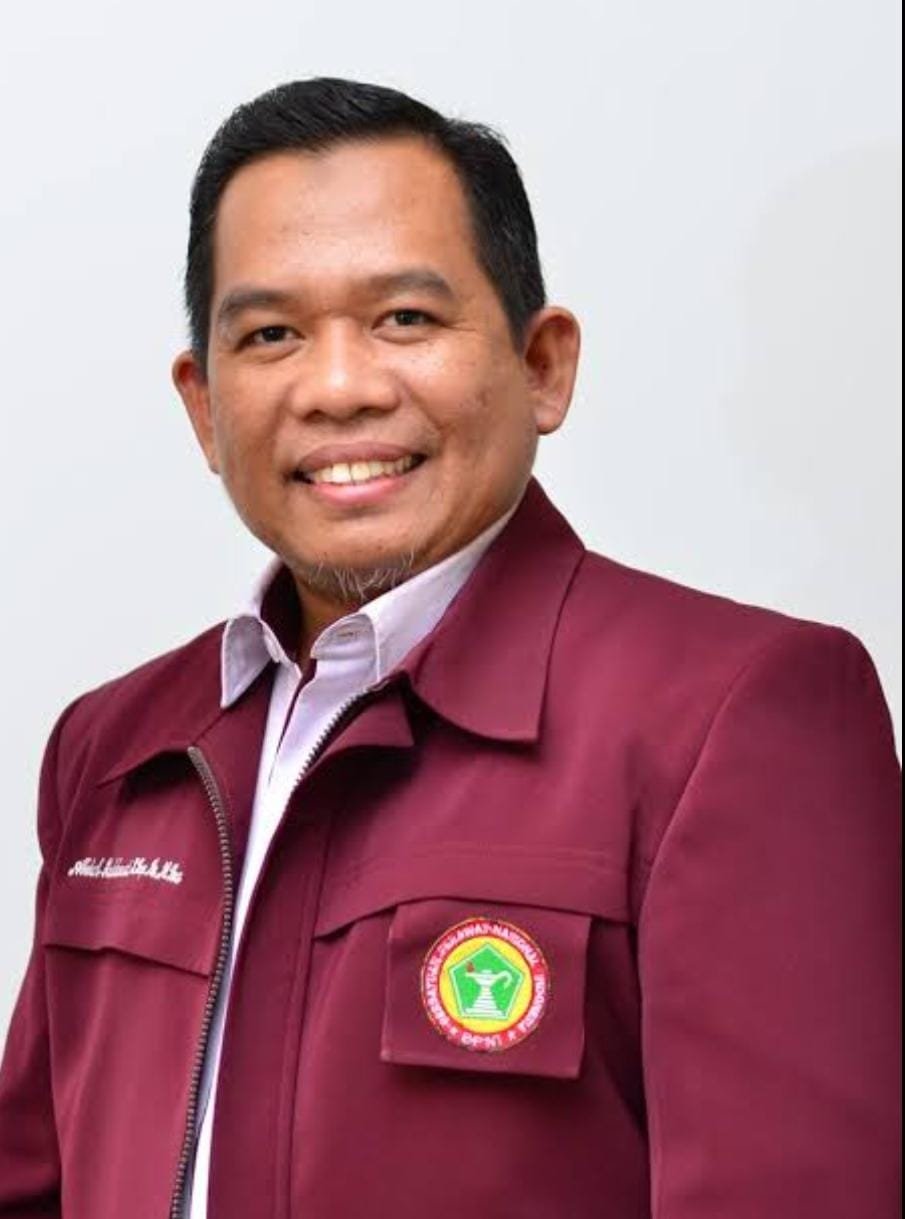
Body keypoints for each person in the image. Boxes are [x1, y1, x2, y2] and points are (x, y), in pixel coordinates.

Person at [0, 77, 899, 1219]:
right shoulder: (118, 747)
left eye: (404, 320)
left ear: (541, 365)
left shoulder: (730, 715)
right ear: (204, 407)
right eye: (271, 335)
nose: (337, 389)